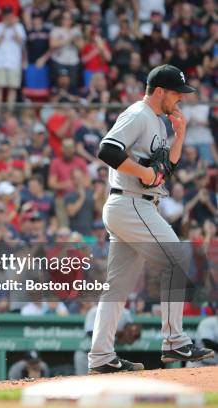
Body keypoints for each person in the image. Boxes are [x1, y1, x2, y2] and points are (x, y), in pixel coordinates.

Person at [89, 64, 214, 374]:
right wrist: (143, 171)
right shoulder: (137, 115)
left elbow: (162, 173)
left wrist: (180, 135)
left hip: (136, 204)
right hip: (130, 203)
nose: (181, 99)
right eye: (177, 93)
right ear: (160, 91)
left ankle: (101, 357)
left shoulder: (158, 123)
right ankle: (174, 341)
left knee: (117, 288)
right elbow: (107, 149)